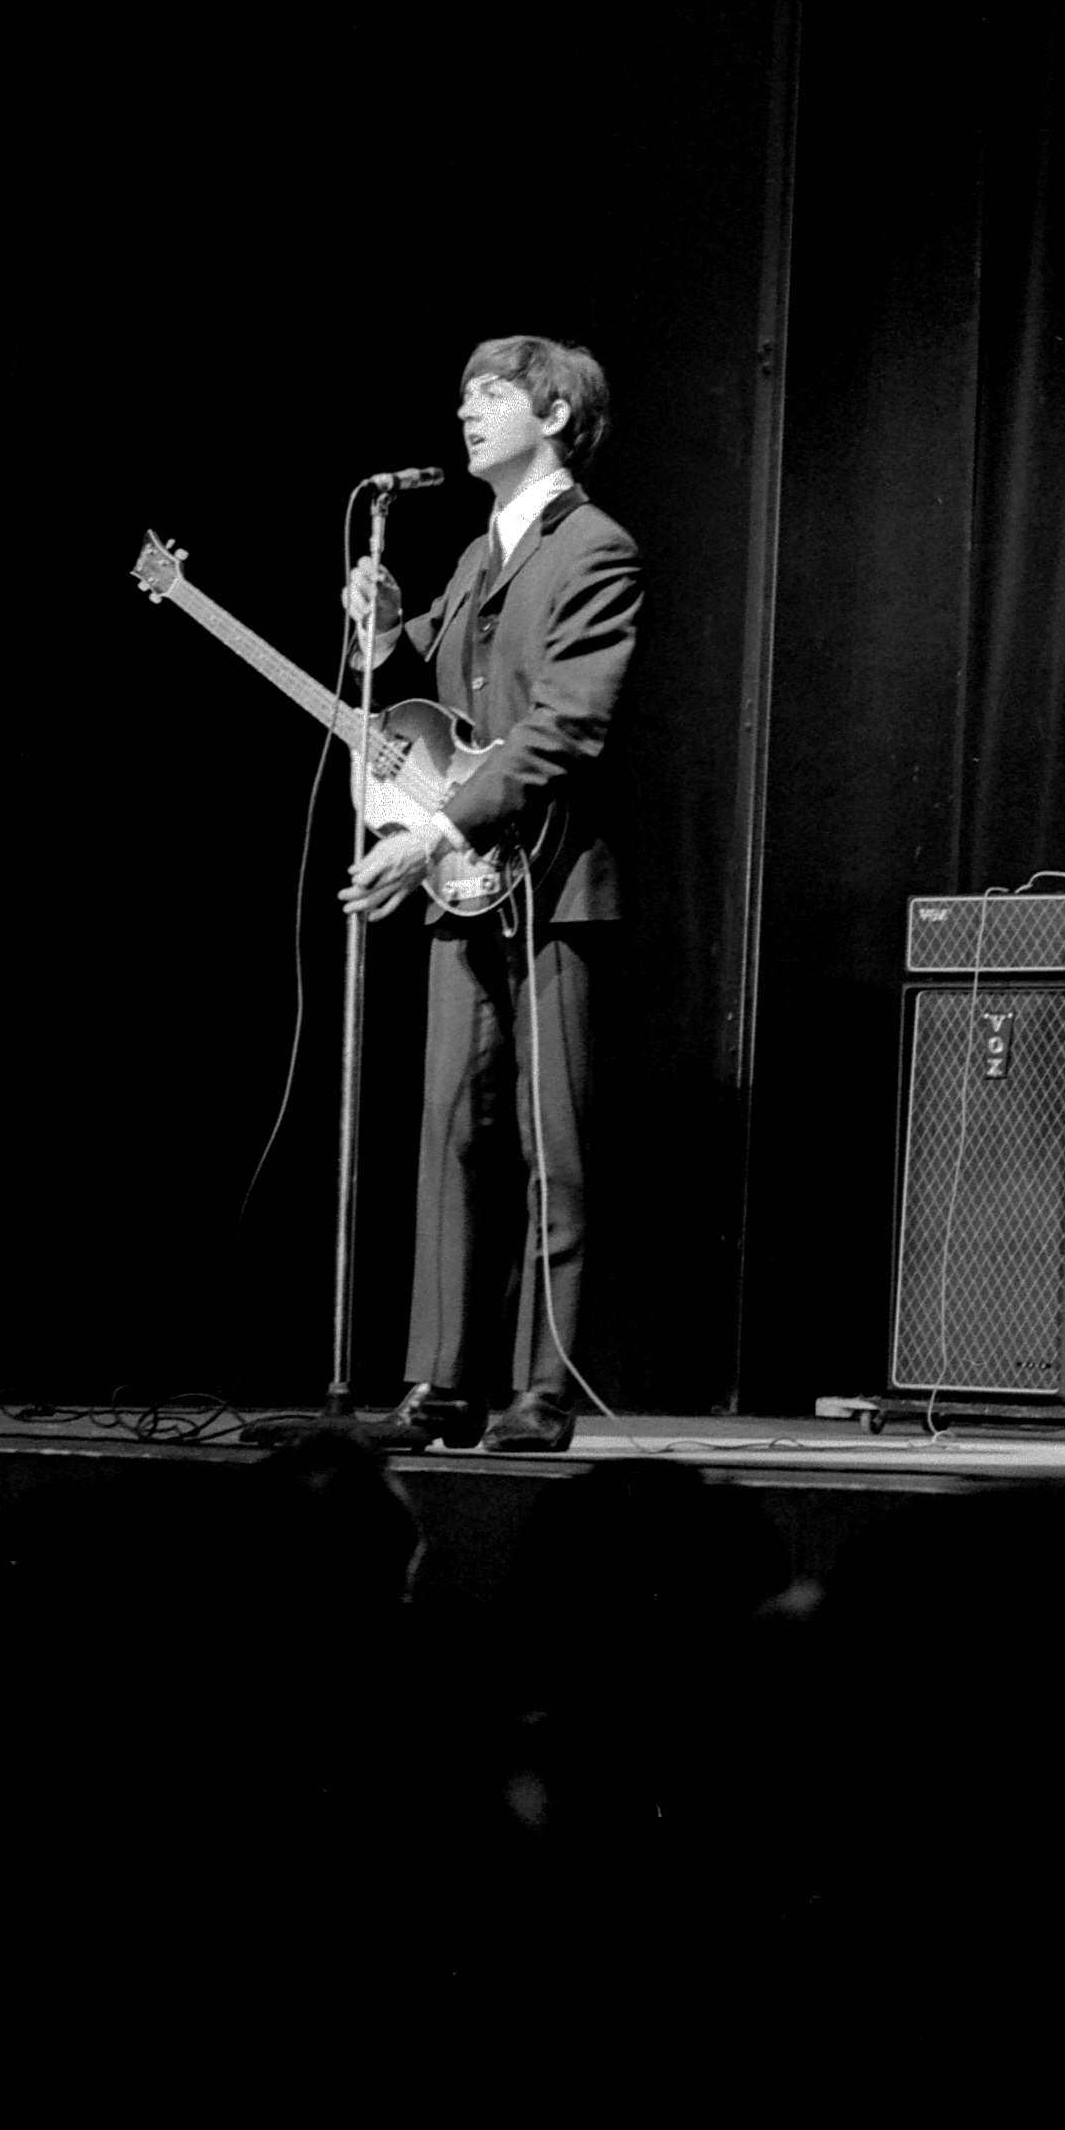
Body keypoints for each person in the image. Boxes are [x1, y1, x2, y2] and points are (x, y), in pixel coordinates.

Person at [339, 336, 642, 1454]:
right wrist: (378, 625)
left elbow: (566, 724)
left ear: (555, 414)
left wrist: (428, 832)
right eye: (461, 391)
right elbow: (416, 668)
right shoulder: (477, 554)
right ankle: (437, 1385)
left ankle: (543, 1391)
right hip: (464, 883)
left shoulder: (596, 550)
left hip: (551, 882)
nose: (466, 409)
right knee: (446, 1132)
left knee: (549, 1140)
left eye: (492, 392)